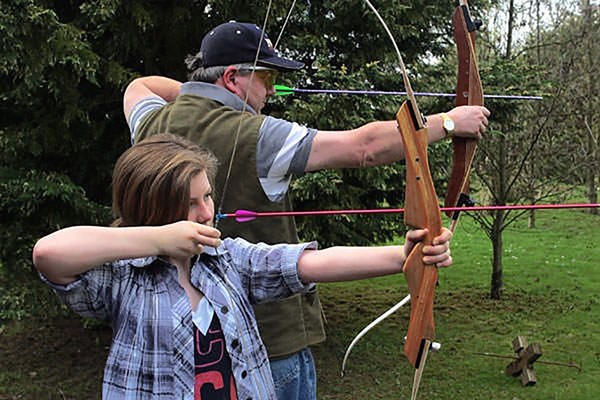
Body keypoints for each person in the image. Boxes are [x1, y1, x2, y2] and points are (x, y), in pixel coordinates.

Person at [122, 21, 489, 400]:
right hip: (270, 341)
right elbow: (364, 148)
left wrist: (192, 95)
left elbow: (139, 87)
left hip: (181, 341)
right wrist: (448, 122)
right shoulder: (261, 135)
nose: (271, 88)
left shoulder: (150, 123)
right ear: (232, 78)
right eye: (265, 76)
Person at [32, 134, 454, 400]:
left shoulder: (226, 260)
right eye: (190, 203)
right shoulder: (122, 277)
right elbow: (49, 254)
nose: (206, 212)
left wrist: (405, 257)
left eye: (208, 197)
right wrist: (158, 239)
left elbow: (309, 264)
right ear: (152, 207)